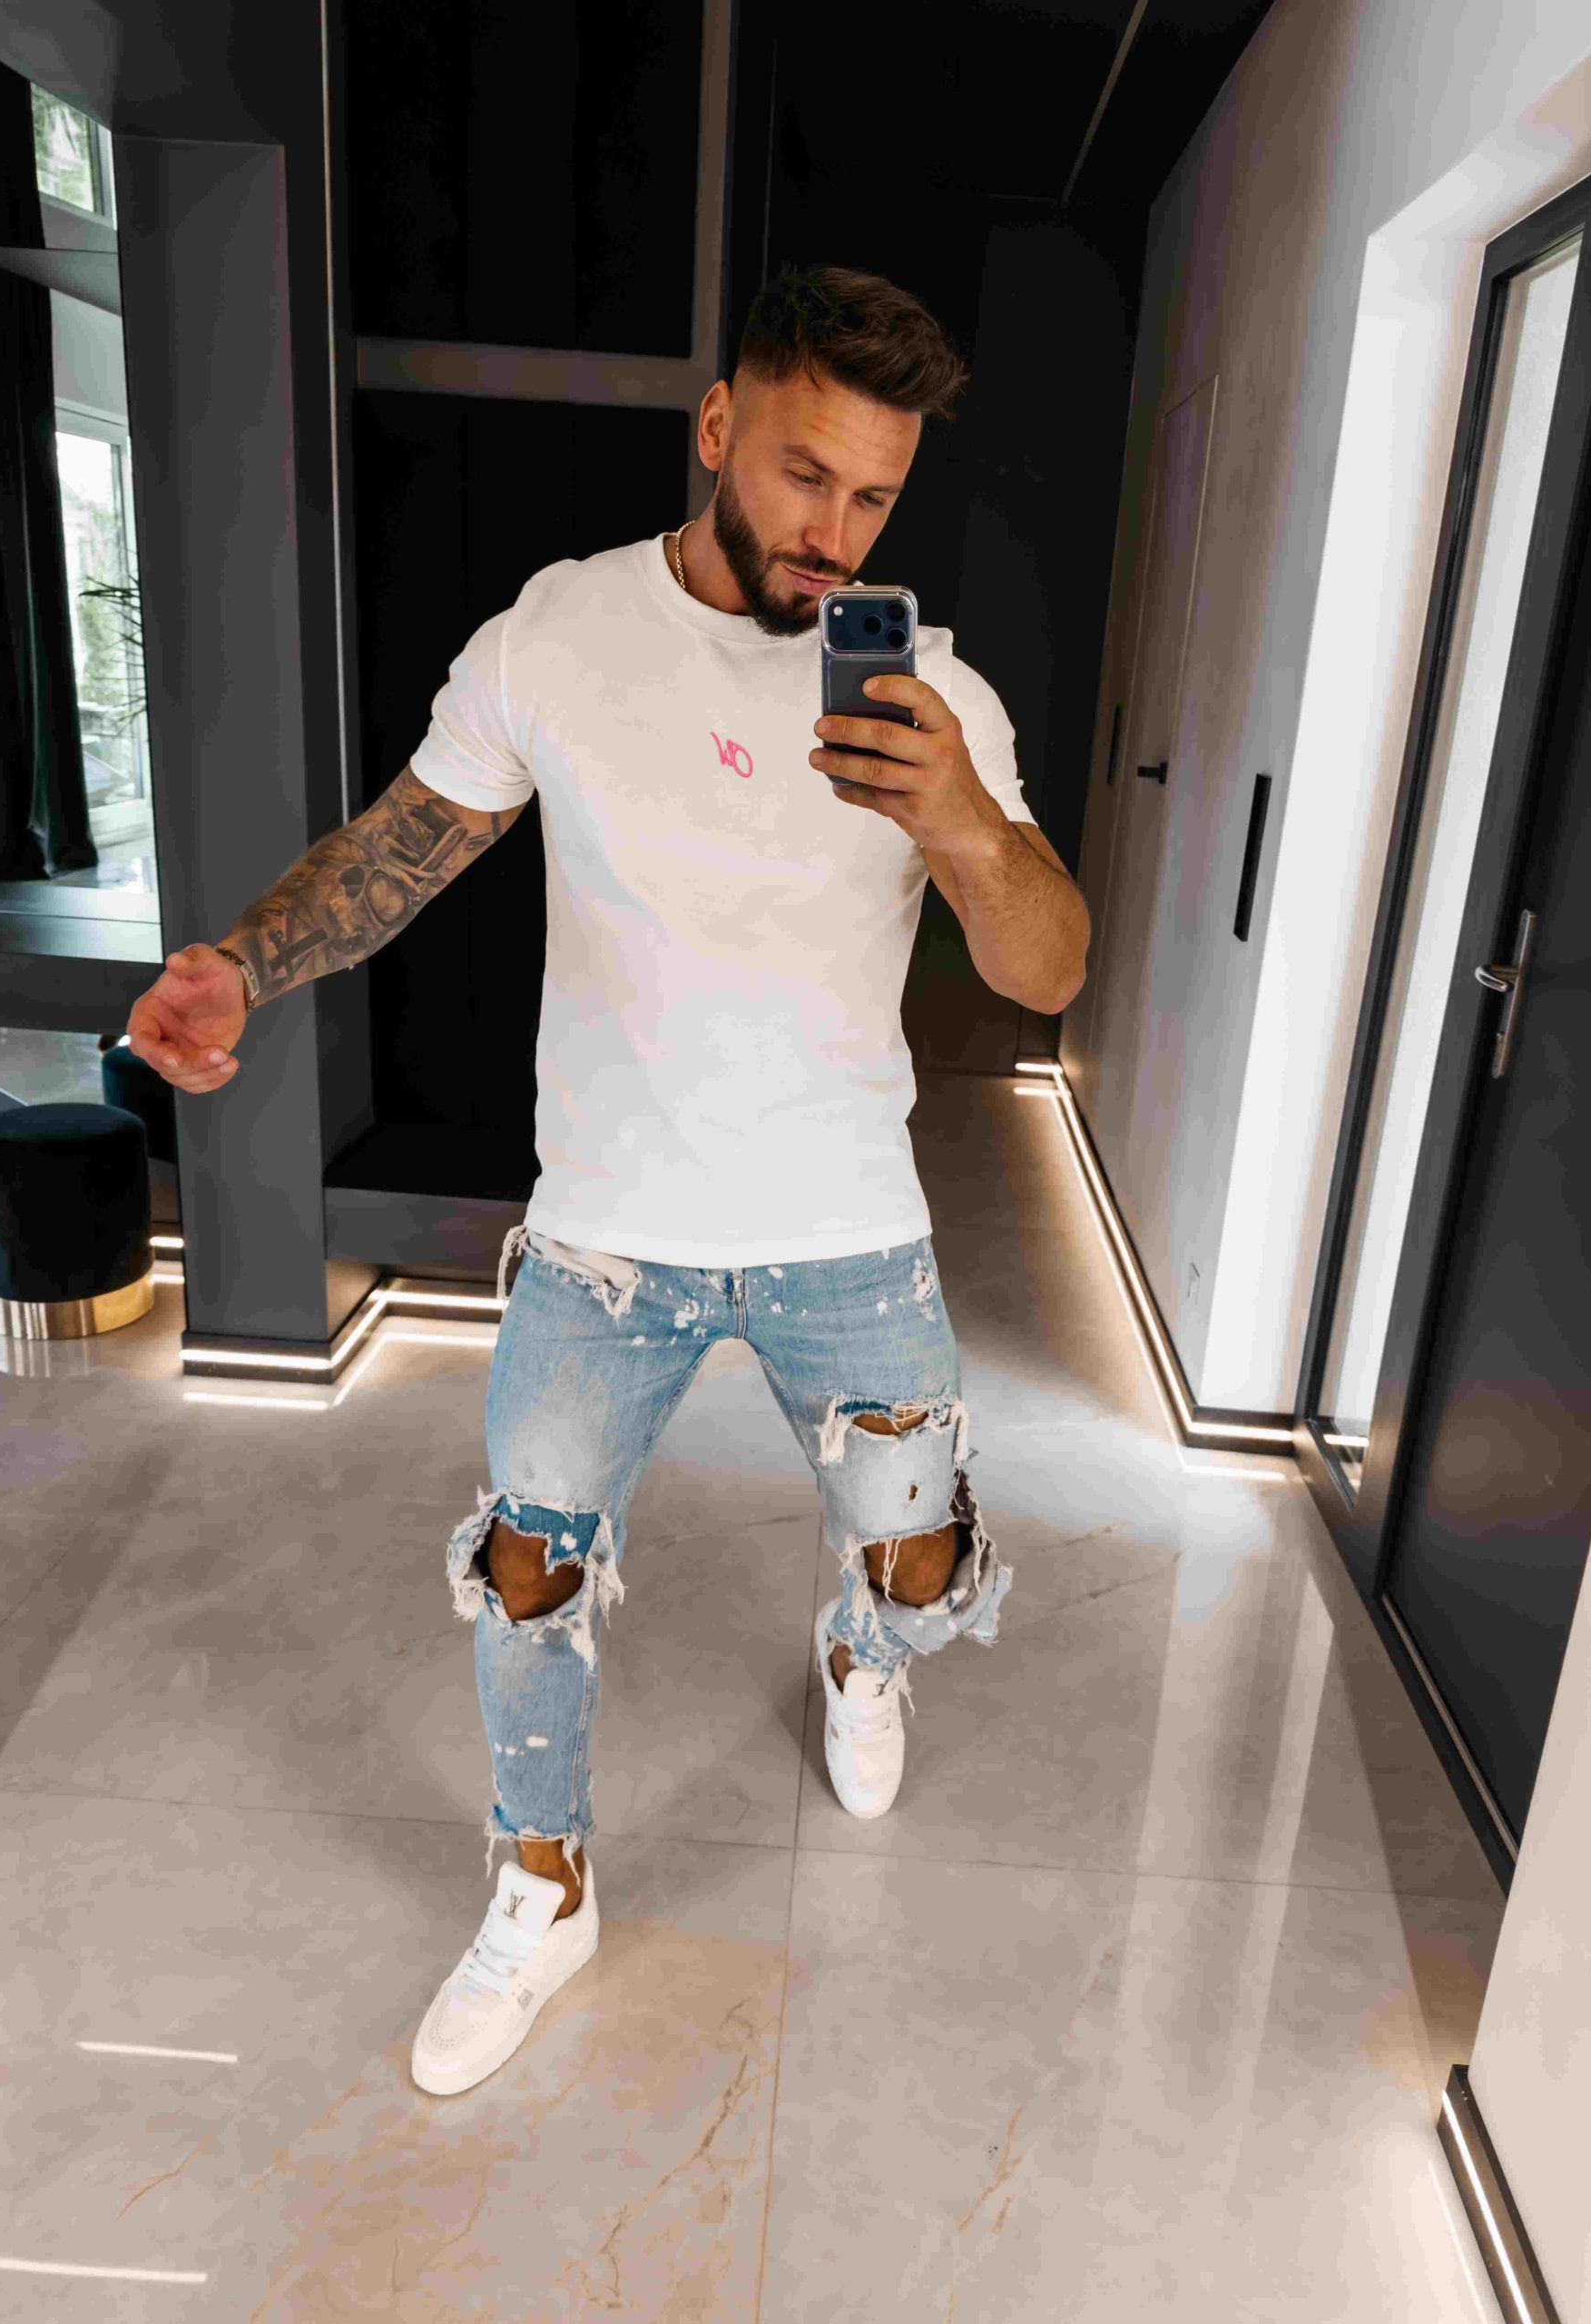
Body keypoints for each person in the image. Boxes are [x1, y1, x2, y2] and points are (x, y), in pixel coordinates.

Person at [127, 262, 1089, 2097]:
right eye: (803, 472)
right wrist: (241, 965)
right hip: (605, 1238)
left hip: (844, 1226)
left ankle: (857, 1648)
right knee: (525, 1574)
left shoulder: (935, 696)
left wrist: (961, 815)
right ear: (719, 427)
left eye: (873, 496)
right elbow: (405, 849)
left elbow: (1048, 962)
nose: (833, 531)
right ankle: (544, 1886)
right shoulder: (559, 635)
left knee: (921, 1563)